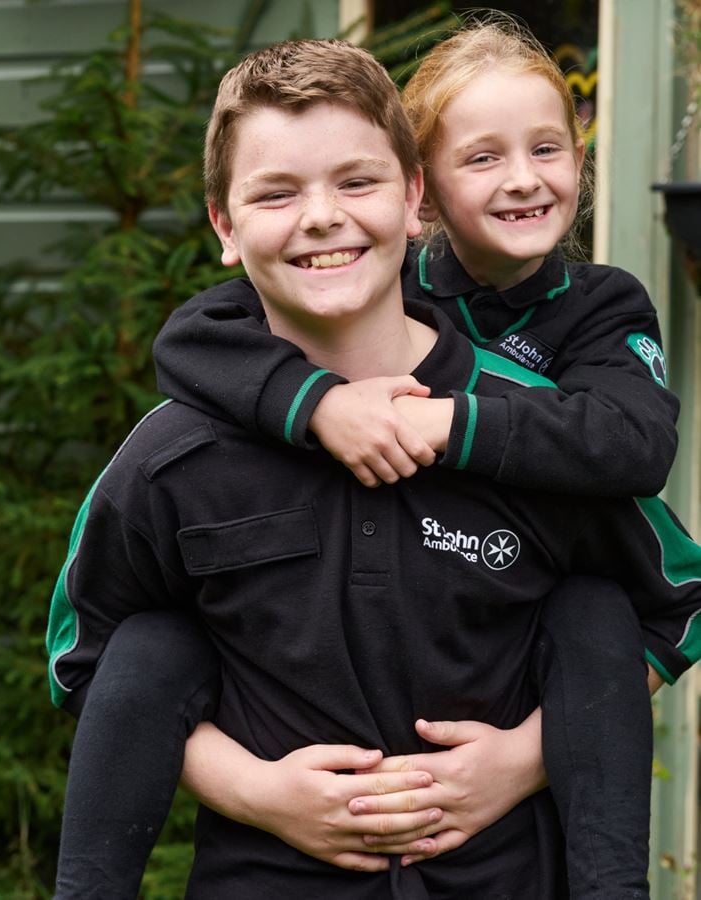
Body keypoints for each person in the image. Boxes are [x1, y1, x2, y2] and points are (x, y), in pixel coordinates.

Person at [47, 32, 697, 900]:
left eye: (357, 181)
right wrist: (256, 790)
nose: (322, 216)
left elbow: (673, 606)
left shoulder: (532, 427)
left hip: (505, 875)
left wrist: (519, 762)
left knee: (594, 610)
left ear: (412, 195)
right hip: (265, 880)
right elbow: (83, 657)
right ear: (225, 228)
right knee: (152, 641)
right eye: (277, 193)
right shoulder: (176, 458)